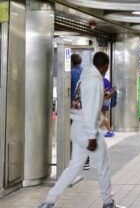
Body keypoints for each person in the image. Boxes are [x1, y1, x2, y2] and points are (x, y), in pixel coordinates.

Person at [39, 52, 124, 208]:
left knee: (74, 167)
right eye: (106, 68)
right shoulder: (94, 81)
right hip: (87, 130)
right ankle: (108, 203)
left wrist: (102, 96)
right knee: (103, 168)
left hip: (77, 127)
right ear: (105, 66)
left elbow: (86, 101)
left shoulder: (85, 77)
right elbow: (91, 110)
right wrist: (92, 136)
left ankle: (49, 201)